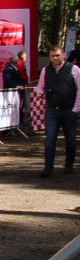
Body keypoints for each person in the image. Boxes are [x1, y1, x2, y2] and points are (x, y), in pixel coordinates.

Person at [36, 45, 80, 178]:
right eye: (52, 56)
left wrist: (76, 109)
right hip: (52, 110)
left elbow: (79, 90)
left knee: (71, 139)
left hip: (69, 109)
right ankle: (48, 168)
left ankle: (69, 164)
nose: (55, 58)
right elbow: (40, 87)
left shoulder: (74, 69)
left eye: (57, 55)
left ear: (63, 55)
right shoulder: (46, 70)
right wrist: (41, 93)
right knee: (50, 139)